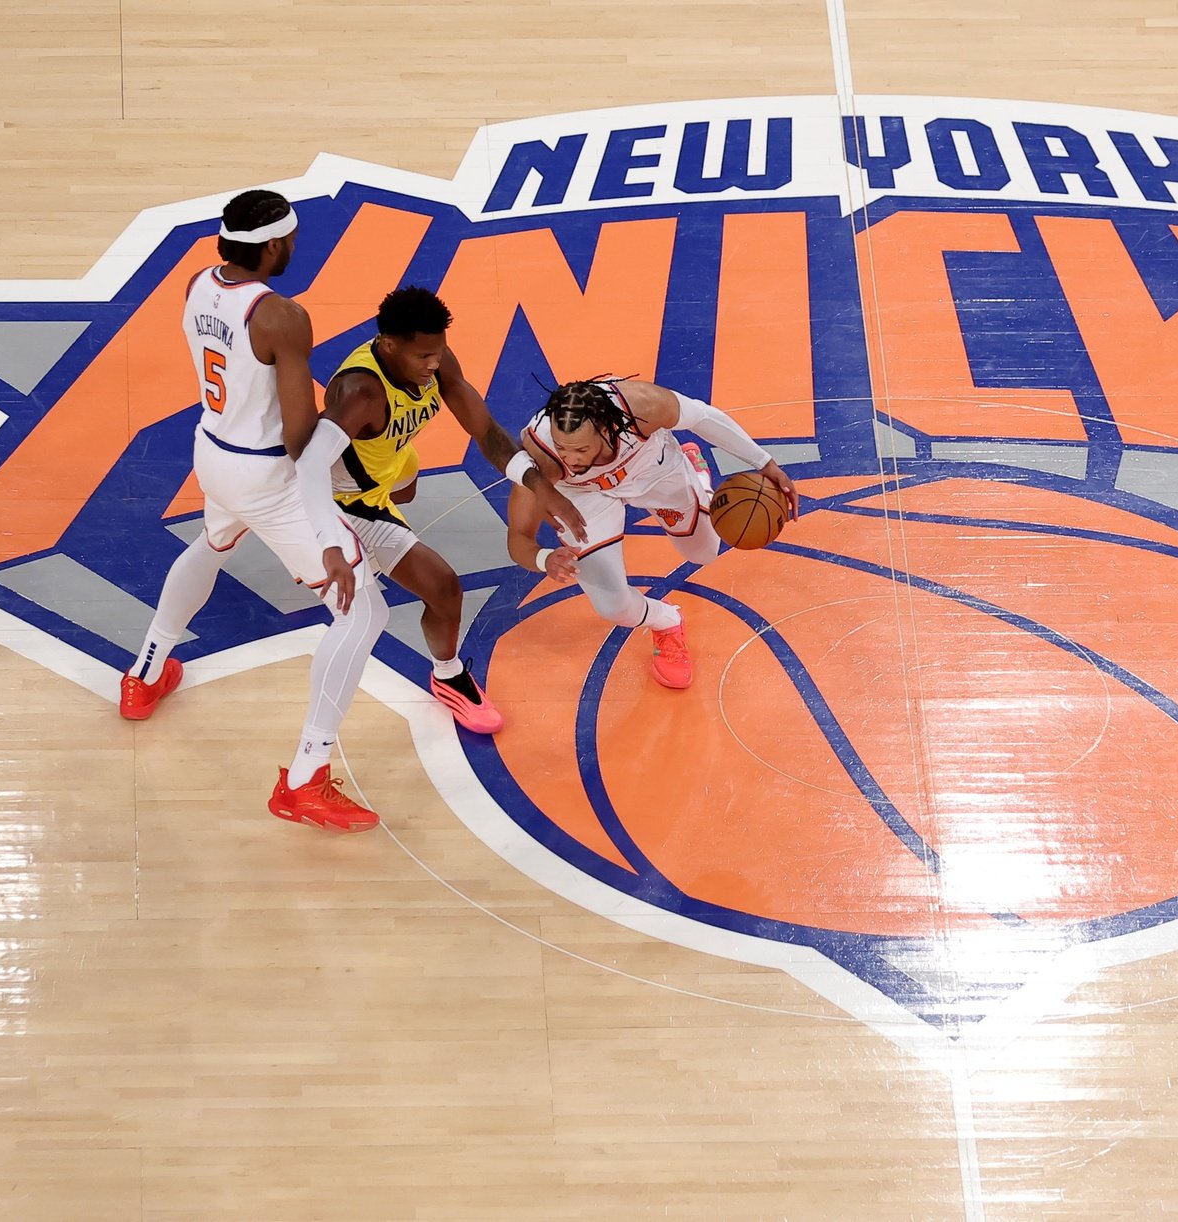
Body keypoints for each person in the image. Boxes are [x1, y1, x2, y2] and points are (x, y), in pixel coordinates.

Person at [118, 188, 385, 832]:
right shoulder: (282, 317)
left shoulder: (197, 284)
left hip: (213, 449)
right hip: (266, 471)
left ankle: (144, 673)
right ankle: (306, 778)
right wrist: (347, 450)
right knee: (363, 612)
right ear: (272, 246)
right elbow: (298, 434)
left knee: (212, 544)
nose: (293, 248)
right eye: (289, 240)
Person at [301, 286, 584, 733]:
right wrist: (325, 539)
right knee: (443, 589)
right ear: (388, 345)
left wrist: (539, 486)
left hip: (388, 468)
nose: (434, 364)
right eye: (424, 356)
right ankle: (448, 676)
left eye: (439, 352)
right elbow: (308, 463)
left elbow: (485, 432)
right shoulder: (360, 393)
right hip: (345, 503)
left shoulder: (435, 362)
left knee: (408, 489)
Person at [504, 377, 798, 689]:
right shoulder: (543, 458)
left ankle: (700, 482)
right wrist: (544, 558)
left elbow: (702, 416)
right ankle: (667, 622)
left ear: (606, 430)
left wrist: (765, 463)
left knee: (703, 554)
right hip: (582, 497)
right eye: (562, 447)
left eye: (580, 449)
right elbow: (518, 537)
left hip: (652, 471)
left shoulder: (642, 406)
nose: (570, 458)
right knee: (612, 606)